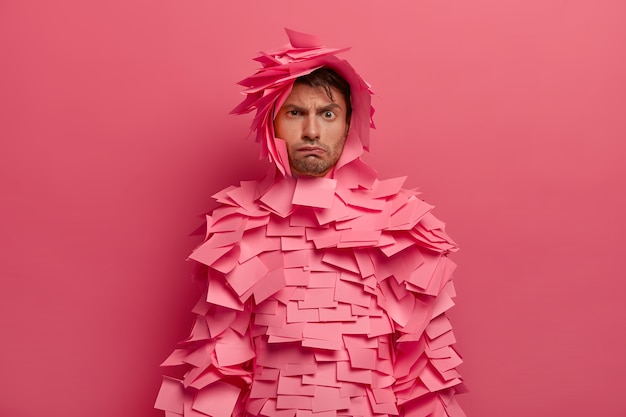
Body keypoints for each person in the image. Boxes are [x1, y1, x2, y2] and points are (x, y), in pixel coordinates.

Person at [155, 28, 465, 417]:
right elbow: (218, 364)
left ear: (349, 123)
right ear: (272, 123)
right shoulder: (235, 224)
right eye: (296, 112)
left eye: (328, 114)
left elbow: (425, 369)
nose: (312, 131)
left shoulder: (402, 223)